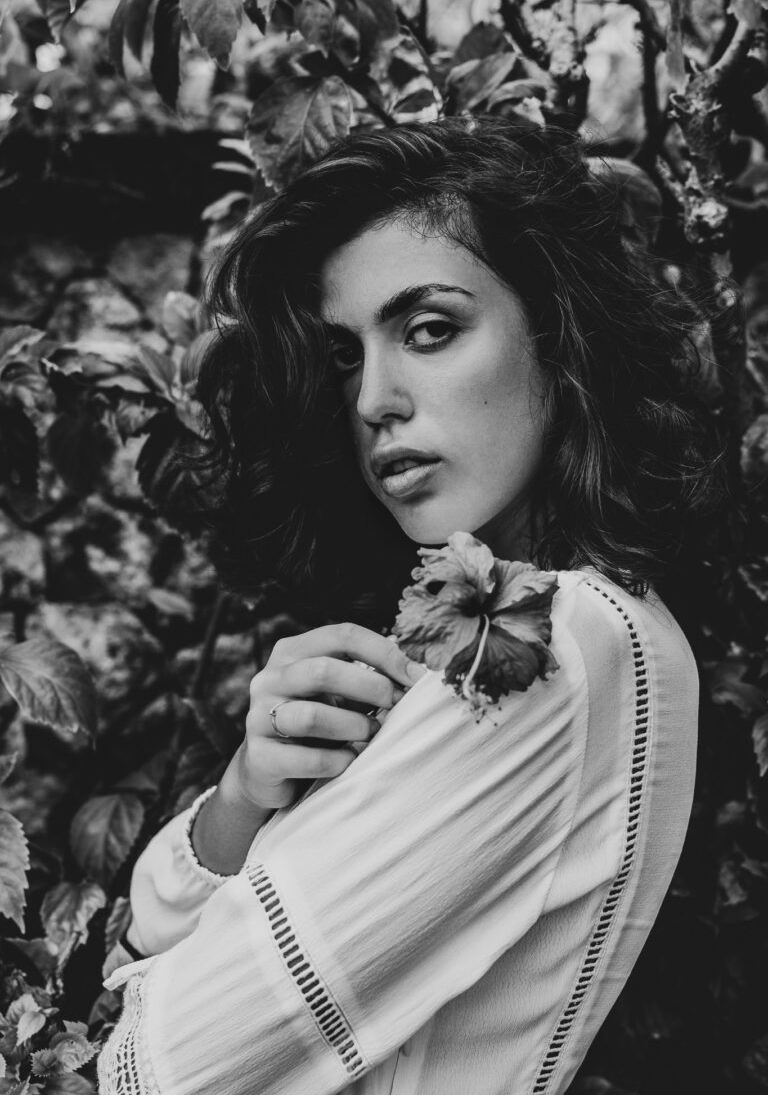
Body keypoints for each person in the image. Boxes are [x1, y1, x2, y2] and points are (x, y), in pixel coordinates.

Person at [97, 117, 719, 1095]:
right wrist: (244, 798)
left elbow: (153, 1071)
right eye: (346, 356)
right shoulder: (525, 636)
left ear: (559, 343)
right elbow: (137, 968)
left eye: (430, 330)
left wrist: (155, 970)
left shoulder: (549, 637)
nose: (374, 399)